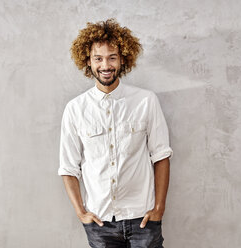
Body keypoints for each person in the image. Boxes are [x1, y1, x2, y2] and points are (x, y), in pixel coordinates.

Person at [58, 19, 173, 248]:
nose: (105, 65)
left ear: (123, 59)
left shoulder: (145, 101)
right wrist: (82, 213)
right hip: (100, 223)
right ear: (87, 61)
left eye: (112, 57)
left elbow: (161, 156)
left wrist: (159, 208)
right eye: (98, 58)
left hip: (143, 219)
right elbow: (68, 168)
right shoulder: (75, 109)